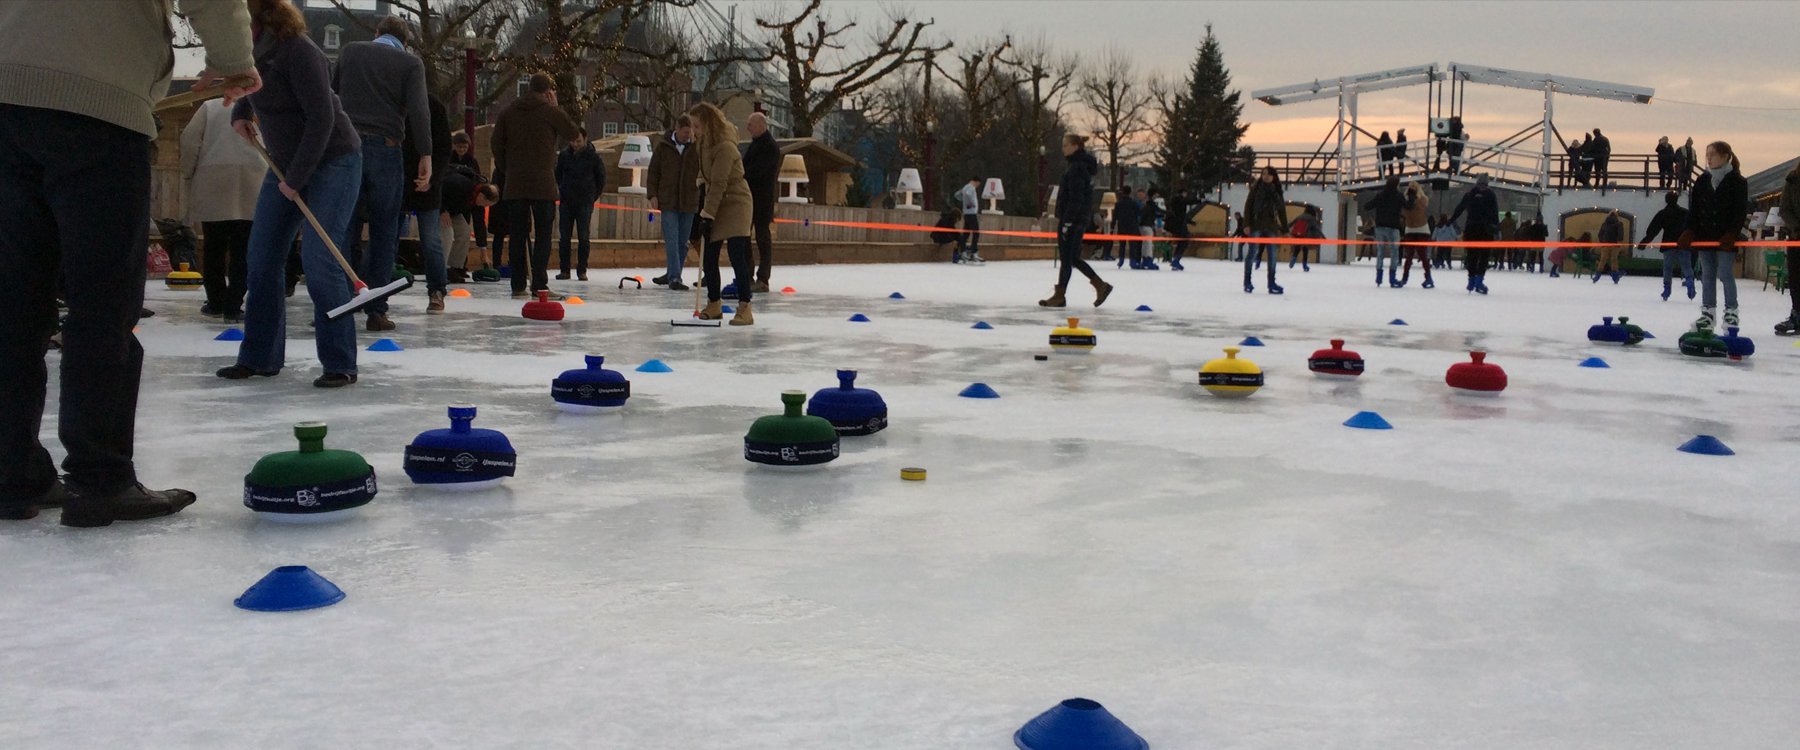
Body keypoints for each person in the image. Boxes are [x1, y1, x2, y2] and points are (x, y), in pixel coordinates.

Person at [0, 0, 255, 524]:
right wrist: (234, 61)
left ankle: (11, 472)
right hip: (97, 108)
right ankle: (99, 478)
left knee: (14, 301)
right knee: (103, 302)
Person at [218, 0, 362, 391]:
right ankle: (259, 357)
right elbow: (250, 85)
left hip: (333, 159)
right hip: (284, 164)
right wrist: (241, 113)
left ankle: (339, 362)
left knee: (319, 259)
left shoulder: (301, 53)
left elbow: (322, 118)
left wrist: (296, 179)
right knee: (261, 257)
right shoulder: (248, 54)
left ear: (261, 20)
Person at [333, 15, 431, 332]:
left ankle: (341, 301)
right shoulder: (410, 64)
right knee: (385, 231)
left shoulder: (349, 52)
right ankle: (376, 309)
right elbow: (418, 110)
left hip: (346, 146)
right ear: (406, 42)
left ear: (376, 33)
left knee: (345, 226)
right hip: (387, 149)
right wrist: (425, 154)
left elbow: (330, 97)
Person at [491, 73, 578, 299]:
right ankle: (539, 283)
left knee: (518, 235)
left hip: (516, 183)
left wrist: (506, 169)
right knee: (543, 236)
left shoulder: (508, 112)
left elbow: (495, 144)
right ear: (548, 91)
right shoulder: (550, 112)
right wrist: (556, 107)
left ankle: (518, 284)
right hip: (543, 183)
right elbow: (573, 133)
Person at [181, 97, 264, 323]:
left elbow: (189, 140)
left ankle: (215, 301)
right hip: (254, 178)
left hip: (213, 179)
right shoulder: (261, 104)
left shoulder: (210, 107)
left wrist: (189, 171)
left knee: (213, 247)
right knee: (243, 249)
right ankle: (234, 305)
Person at [685, 103, 755, 325]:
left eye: (697, 125)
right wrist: (699, 184)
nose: (693, 130)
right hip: (717, 200)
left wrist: (707, 214)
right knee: (710, 255)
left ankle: (745, 307)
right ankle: (714, 302)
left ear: (708, 123)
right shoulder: (703, 143)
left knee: (736, 254)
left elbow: (719, 183)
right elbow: (706, 174)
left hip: (736, 203)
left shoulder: (725, 146)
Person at [1679, 140, 1748, 333]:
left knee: (1725, 273)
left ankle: (1731, 312)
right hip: (1704, 236)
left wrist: (1732, 234)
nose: (1708, 158)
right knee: (1707, 275)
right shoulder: (1702, 180)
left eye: (1713, 154)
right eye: (1707, 154)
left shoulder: (1738, 182)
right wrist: (1688, 230)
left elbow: (1739, 212)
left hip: (1726, 239)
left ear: (1725, 157)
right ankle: (1708, 313)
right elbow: (1694, 210)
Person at [1039, 134, 1113, 308]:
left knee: (1068, 258)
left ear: (1075, 146)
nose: (1063, 149)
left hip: (1073, 219)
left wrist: (1067, 221)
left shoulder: (1077, 168)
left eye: (1065, 145)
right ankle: (1098, 286)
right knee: (1072, 258)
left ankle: (1062, 295)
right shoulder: (1080, 166)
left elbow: (1076, 198)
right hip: (1078, 218)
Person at [400, 95, 451, 313]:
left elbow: (443, 149)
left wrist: (432, 179)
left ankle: (437, 290)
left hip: (428, 185)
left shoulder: (434, 107)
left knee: (431, 241)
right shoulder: (395, 102)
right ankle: (375, 291)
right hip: (398, 181)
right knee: (385, 238)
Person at [647, 114, 699, 290]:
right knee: (672, 239)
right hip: (668, 200)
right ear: (677, 129)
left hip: (689, 201)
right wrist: (652, 195)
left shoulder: (696, 148)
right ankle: (675, 276)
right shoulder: (663, 147)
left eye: (689, 133)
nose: (687, 136)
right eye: (685, 132)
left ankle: (672, 272)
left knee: (683, 241)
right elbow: (653, 172)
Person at [553, 126, 604, 281]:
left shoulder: (593, 157)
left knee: (583, 237)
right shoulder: (564, 156)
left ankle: (582, 270)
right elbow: (558, 175)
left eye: (578, 141)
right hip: (567, 201)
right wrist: (563, 190)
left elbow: (601, 179)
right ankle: (564, 270)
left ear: (585, 139)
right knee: (564, 237)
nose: (575, 144)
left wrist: (592, 196)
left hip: (584, 202)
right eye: (573, 141)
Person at [742, 112, 781, 292]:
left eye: (750, 124)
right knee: (744, 236)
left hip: (762, 199)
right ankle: (747, 274)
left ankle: (763, 277)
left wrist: (743, 173)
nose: (748, 127)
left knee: (762, 238)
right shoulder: (755, 145)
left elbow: (758, 171)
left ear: (760, 125)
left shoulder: (770, 147)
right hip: (749, 198)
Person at [441, 166, 496, 284]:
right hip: (437, 206)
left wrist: (483, 250)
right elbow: (440, 188)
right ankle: (440, 269)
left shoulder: (477, 201)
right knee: (447, 233)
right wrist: (443, 210)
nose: (484, 207)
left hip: (453, 211)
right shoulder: (461, 184)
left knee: (464, 232)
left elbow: (479, 224)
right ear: (481, 196)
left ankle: (455, 267)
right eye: (485, 204)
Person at [1449, 174, 1499, 294]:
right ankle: (1479, 281)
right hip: (1485, 230)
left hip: (1471, 228)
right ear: (1487, 183)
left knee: (1472, 255)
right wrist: (1496, 229)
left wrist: (1451, 220)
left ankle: (1471, 281)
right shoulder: (1491, 195)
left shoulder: (1470, 194)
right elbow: (1495, 213)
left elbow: (1460, 208)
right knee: (1484, 256)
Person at [1639, 191, 1693, 301]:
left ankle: (1667, 289)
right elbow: (1692, 227)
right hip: (1684, 244)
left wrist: (1645, 242)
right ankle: (1690, 283)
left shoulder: (1663, 213)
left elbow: (1654, 229)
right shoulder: (1685, 213)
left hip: (1668, 244)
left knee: (1668, 268)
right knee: (1686, 266)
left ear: (1666, 200)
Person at [1243, 166, 1288, 294]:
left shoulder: (1277, 192)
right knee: (1252, 253)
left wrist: (1285, 229)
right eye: (1263, 174)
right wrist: (1246, 224)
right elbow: (1248, 206)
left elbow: (1281, 210)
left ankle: (1271, 283)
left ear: (1273, 177)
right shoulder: (1256, 189)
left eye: (1268, 174)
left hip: (1271, 226)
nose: (1265, 176)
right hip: (1256, 225)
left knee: (1272, 255)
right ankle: (1247, 281)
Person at [1365, 176, 1405, 286]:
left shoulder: (1380, 195)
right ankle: (1392, 278)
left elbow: (1367, 206)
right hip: (1393, 227)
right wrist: (1411, 197)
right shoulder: (1399, 196)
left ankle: (1379, 277)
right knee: (1394, 253)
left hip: (1380, 227)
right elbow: (1408, 206)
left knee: (1380, 252)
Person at [1777, 162, 1800, 335]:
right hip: (1796, 239)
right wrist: (1796, 228)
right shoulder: (1792, 180)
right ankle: (1796, 314)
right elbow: (1784, 210)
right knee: (1796, 279)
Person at [1397, 181, 1433, 288]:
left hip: (1421, 228)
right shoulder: (1405, 200)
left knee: (1422, 255)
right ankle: (1405, 278)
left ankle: (1428, 278)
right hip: (1410, 228)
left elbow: (1421, 207)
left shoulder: (1422, 200)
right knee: (1409, 255)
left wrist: (1413, 199)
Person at [953, 177, 985, 263]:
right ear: (976, 182)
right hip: (971, 213)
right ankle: (973, 253)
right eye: (978, 184)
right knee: (976, 233)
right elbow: (968, 194)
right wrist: (971, 203)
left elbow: (957, 195)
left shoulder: (965, 187)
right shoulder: (971, 187)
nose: (978, 186)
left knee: (966, 234)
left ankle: (963, 252)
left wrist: (964, 201)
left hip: (966, 213)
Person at [1165, 188, 1194, 271]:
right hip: (1179, 225)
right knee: (1185, 241)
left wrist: (1190, 221)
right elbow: (1182, 212)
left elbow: (1181, 214)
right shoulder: (1179, 200)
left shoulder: (1175, 201)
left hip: (1177, 224)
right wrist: (1198, 200)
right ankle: (1176, 259)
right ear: (1183, 193)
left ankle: (1176, 259)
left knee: (1182, 242)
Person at [1111, 186, 1140, 269]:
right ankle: (1132, 261)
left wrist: (1112, 227)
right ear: (1130, 192)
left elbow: (1115, 216)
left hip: (1122, 225)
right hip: (1132, 225)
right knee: (1132, 244)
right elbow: (1138, 213)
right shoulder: (1133, 203)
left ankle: (1121, 260)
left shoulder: (1118, 204)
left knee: (1122, 244)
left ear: (1122, 192)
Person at [1594, 209, 1626, 284]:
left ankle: (1597, 276)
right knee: (1614, 260)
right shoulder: (1619, 223)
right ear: (1616, 216)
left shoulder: (1604, 224)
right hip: (1615, 245)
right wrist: (1619, 242)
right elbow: (1620, 235)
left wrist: (1603, 242)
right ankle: (1615, 277)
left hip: (1605, 244)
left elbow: (1600, 234)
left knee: (1602, 260)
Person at [1135, 187, 1161, 270]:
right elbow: (1158, 212)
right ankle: (1149, 260)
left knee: (1145, 244)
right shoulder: (1151, 204)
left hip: (1142, 226)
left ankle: (1145, 259)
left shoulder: (1146, 205)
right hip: (1147, 226)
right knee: (1149, 244)